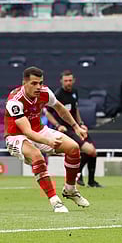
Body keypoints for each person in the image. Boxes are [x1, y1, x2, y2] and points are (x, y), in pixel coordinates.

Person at [4, 67, 90, 212]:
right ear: (24, 82)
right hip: (16, 136)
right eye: (34, 83)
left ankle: (70, 189)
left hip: (38, 130)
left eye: (40, 83)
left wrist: (76, 127)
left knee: (73, 148)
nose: (38, 87)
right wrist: (49, 142)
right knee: (37, 156)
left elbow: (60, 108)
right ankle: (54, 200)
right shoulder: (15, 101)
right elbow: (27, 132)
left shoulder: (45, 92)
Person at [45, 70, 103, 188]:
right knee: (90, 150)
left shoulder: (74, 92)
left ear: (74, 81)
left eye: (70, 80)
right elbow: (48, 113)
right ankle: (78, 173)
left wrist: (81, 123)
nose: (68, 83)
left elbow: (75, 110)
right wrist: (58, 125)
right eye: (66, 81)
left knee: (93, 153)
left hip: (76, 127)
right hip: (67, 130)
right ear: (61, 81)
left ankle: (91, 181)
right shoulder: (58, 95)